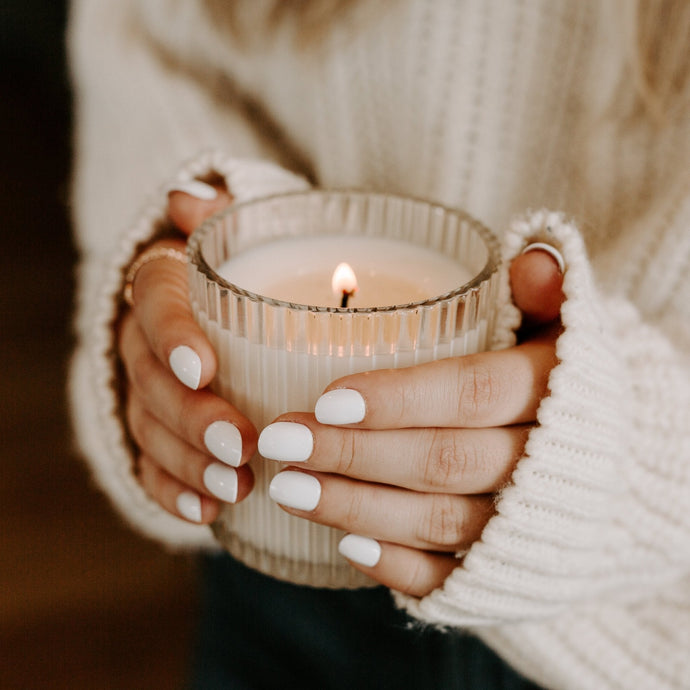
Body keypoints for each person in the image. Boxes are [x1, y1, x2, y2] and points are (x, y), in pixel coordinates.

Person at [68, 1, 690, 688]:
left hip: (626, 629)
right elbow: (154, 45)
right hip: (277, 566)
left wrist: (622, 465)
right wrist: (182, 273)